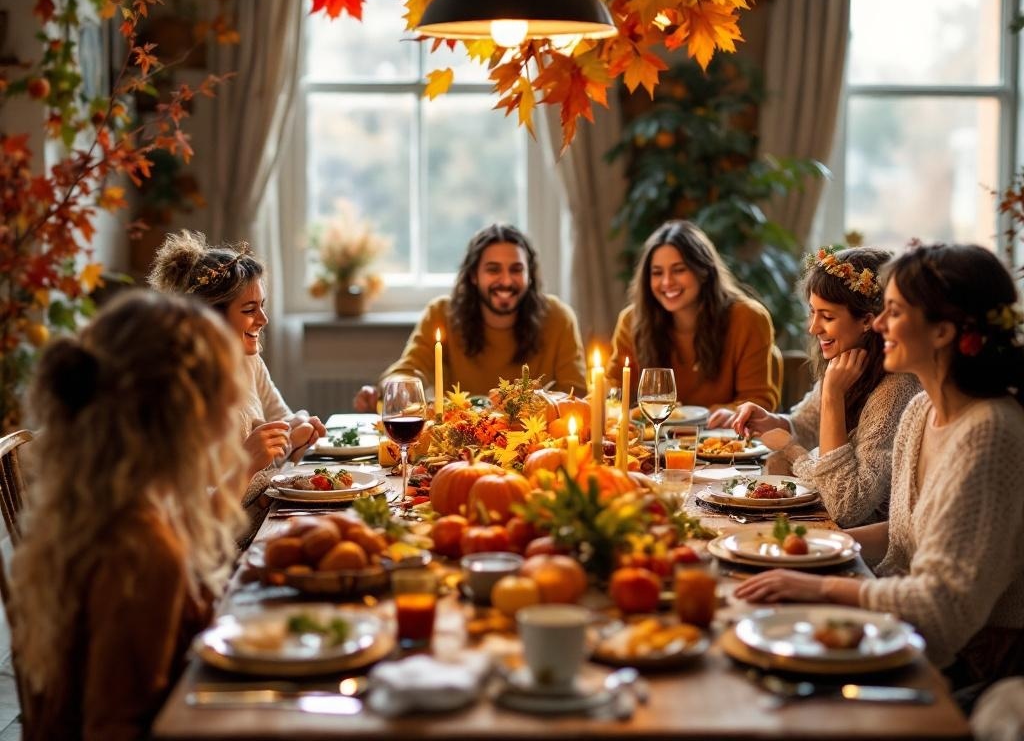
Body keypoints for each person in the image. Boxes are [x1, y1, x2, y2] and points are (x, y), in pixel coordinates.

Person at [735, 242, 1024, 697]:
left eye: (893, 310)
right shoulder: (922, 410)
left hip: (973, 659)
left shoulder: (989, 432)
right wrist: (817, 547)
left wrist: (823, 588)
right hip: (901, 622)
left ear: (944, 331)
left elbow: (941, 608)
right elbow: (908, 534)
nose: (879, 323)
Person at [11, 290, 250, 741]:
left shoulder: (107, 513)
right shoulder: (142, 551)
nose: (235, 396)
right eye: (225, 381)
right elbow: (114, 727)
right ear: (183, 407)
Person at [708, 247, 919, 527]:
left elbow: (847, 505)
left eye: (827, 317)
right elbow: (807, 425)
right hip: (824, 526)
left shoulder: (895, 389)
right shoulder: (848, 363)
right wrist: (773, 421)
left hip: (859, 550)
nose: (813, 328)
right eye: (812, 312)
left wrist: (798, 440)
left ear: (868, 320)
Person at [148, 231, 326, 534]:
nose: (264, 319)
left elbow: (279, 427)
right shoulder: (173, 393)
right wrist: (247, 463)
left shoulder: (248, 361)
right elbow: (188, 523)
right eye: (249, 310)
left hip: (259, 525)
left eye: (262, 305)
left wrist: (296, 430)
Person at [354, 223, 587, 410]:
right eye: (493, 269)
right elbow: (408, 370)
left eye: (516, 269)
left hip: (534, 443)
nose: (506, 281)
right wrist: (390, 389)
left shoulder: (559, 318)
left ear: (530, 276)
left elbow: (576, 393)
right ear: (474, 275)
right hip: (458, 446)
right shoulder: (441, 313)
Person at [607, 220, 780, 413]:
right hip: (653, 439)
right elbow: (611, 388)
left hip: (724, 439)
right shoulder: (632, 320)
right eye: (657, 273)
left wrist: (703, 416)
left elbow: (758, 401)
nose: (666, 282)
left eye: (679, 270)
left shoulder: (748, 318)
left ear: (703, 271)